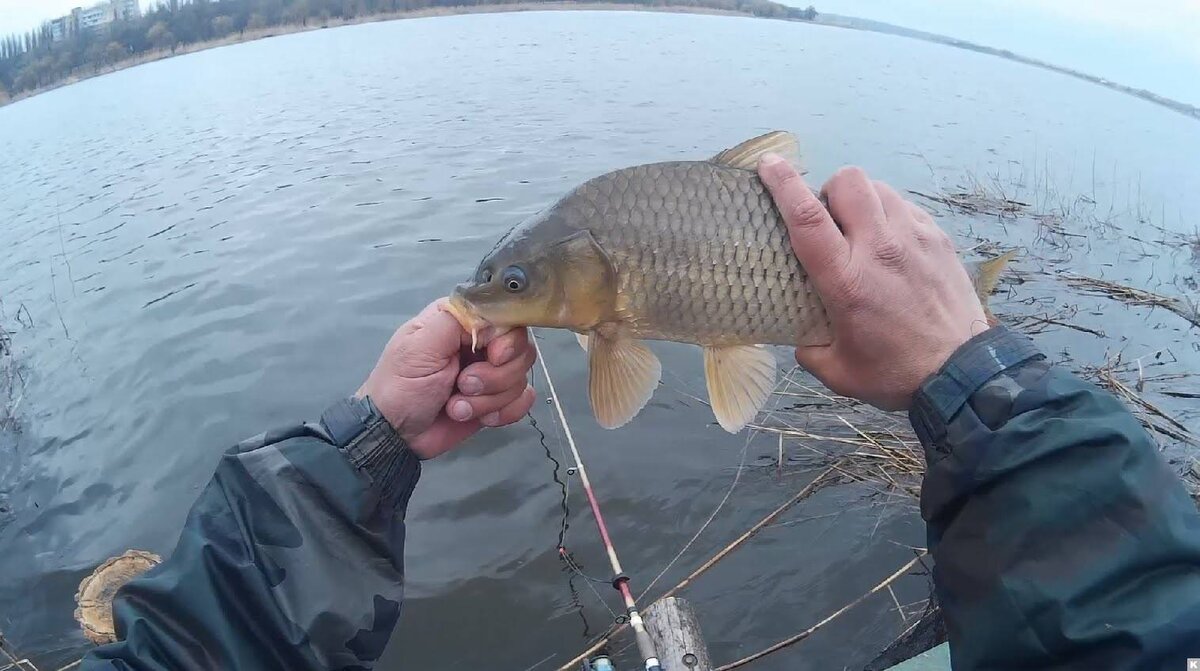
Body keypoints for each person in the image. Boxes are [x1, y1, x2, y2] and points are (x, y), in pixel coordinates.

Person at [81, 159, 1200, 671]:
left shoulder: (611, 260)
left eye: (518, 285)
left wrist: (364, 437)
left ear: (584, 277)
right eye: (511, 285)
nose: (491, 300)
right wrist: (971, 374)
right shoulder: (593, 273)